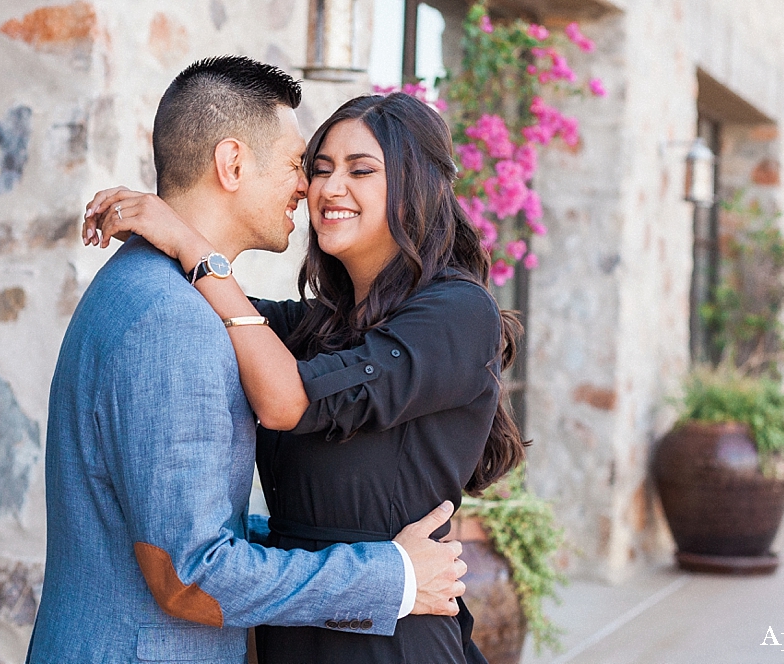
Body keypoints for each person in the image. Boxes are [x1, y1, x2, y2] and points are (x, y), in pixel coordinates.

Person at [28, 57, 467, 664]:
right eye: (300, 166)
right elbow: (190, 572)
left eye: (356, 170)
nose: (307, 188)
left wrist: (184, 240)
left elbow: (165, 527)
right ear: (232, 164)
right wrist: (392, 576)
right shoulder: (174, 320)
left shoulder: (168, 294)